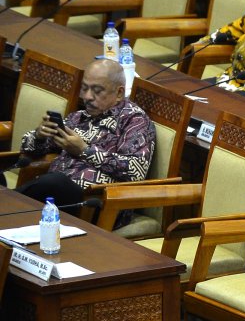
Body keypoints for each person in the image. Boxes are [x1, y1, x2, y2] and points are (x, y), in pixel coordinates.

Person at [15, 60, 154, 210]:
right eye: (84, 88)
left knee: (55, 182)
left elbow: (135, 171)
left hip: (95, 202)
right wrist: (39, 135)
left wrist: (84, 151)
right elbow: (29, 149)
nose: (87, 97)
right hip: (54, 196)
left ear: (119, 93)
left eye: (97, 90)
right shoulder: (79, 117)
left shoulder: (135, 121)